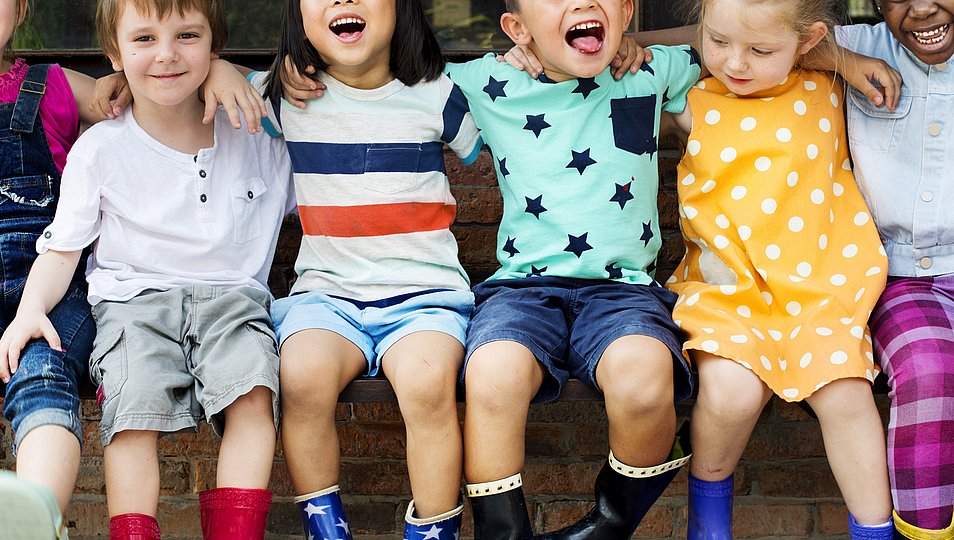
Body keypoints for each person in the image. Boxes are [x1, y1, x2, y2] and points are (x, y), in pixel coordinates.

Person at [0, 0, 294, 538]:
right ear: (114, 54)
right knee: (132, 414)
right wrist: (30, 311)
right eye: (143, 41)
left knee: (254, 397)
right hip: (132, 305)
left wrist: (233, 72)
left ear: (213, 44)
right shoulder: (101, 149)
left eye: (187, 36)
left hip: (234, 300)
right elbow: (63, 250)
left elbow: (313, 74)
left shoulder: (257, 130)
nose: (165, 55)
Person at [623, 0, 896, 537]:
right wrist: (633, 42)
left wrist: (839, 61)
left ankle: (875, 531)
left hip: (821, 292)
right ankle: (709, 525)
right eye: (719, 43)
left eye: (761, 50)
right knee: (730, 394)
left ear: (809, 41)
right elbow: (681, 43)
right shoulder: (692, 99)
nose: (735, 63)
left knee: (848, 395)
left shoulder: (829, 92)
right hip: (729, 296)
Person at [443, 0, 701, 537]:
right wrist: (237, 72)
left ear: (626, 11)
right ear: (517, 28)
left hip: (622, 293)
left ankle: (609, 522)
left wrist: (846, 57)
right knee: (492, 375)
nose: (582, 3)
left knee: (644, 381)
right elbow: (374, 73)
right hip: (522, 291)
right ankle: (503, 532)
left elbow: (735, 36)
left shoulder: (648, 68)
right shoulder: (489, 80)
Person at [252, 0, 481, 538]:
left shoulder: (440, 96)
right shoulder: (283, 98)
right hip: (328, 296)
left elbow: (489, 139)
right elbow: (205, 76)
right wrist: (220, 67)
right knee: (301, 378)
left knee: (427, 386)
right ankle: (325, 528)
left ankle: (433, 530)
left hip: (425, 295)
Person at [0, 0, 132, 536]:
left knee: (44, 372)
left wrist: (213, 67)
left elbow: (154, 92)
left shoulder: (53, 86)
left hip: (50, 292)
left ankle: (34, 518)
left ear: (23, 7)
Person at [836, 1, 954, 538]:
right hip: (904, 276)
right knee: (929, 370)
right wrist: (838, 59)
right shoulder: (860, 48)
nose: (922, 7)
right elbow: (747, 34)